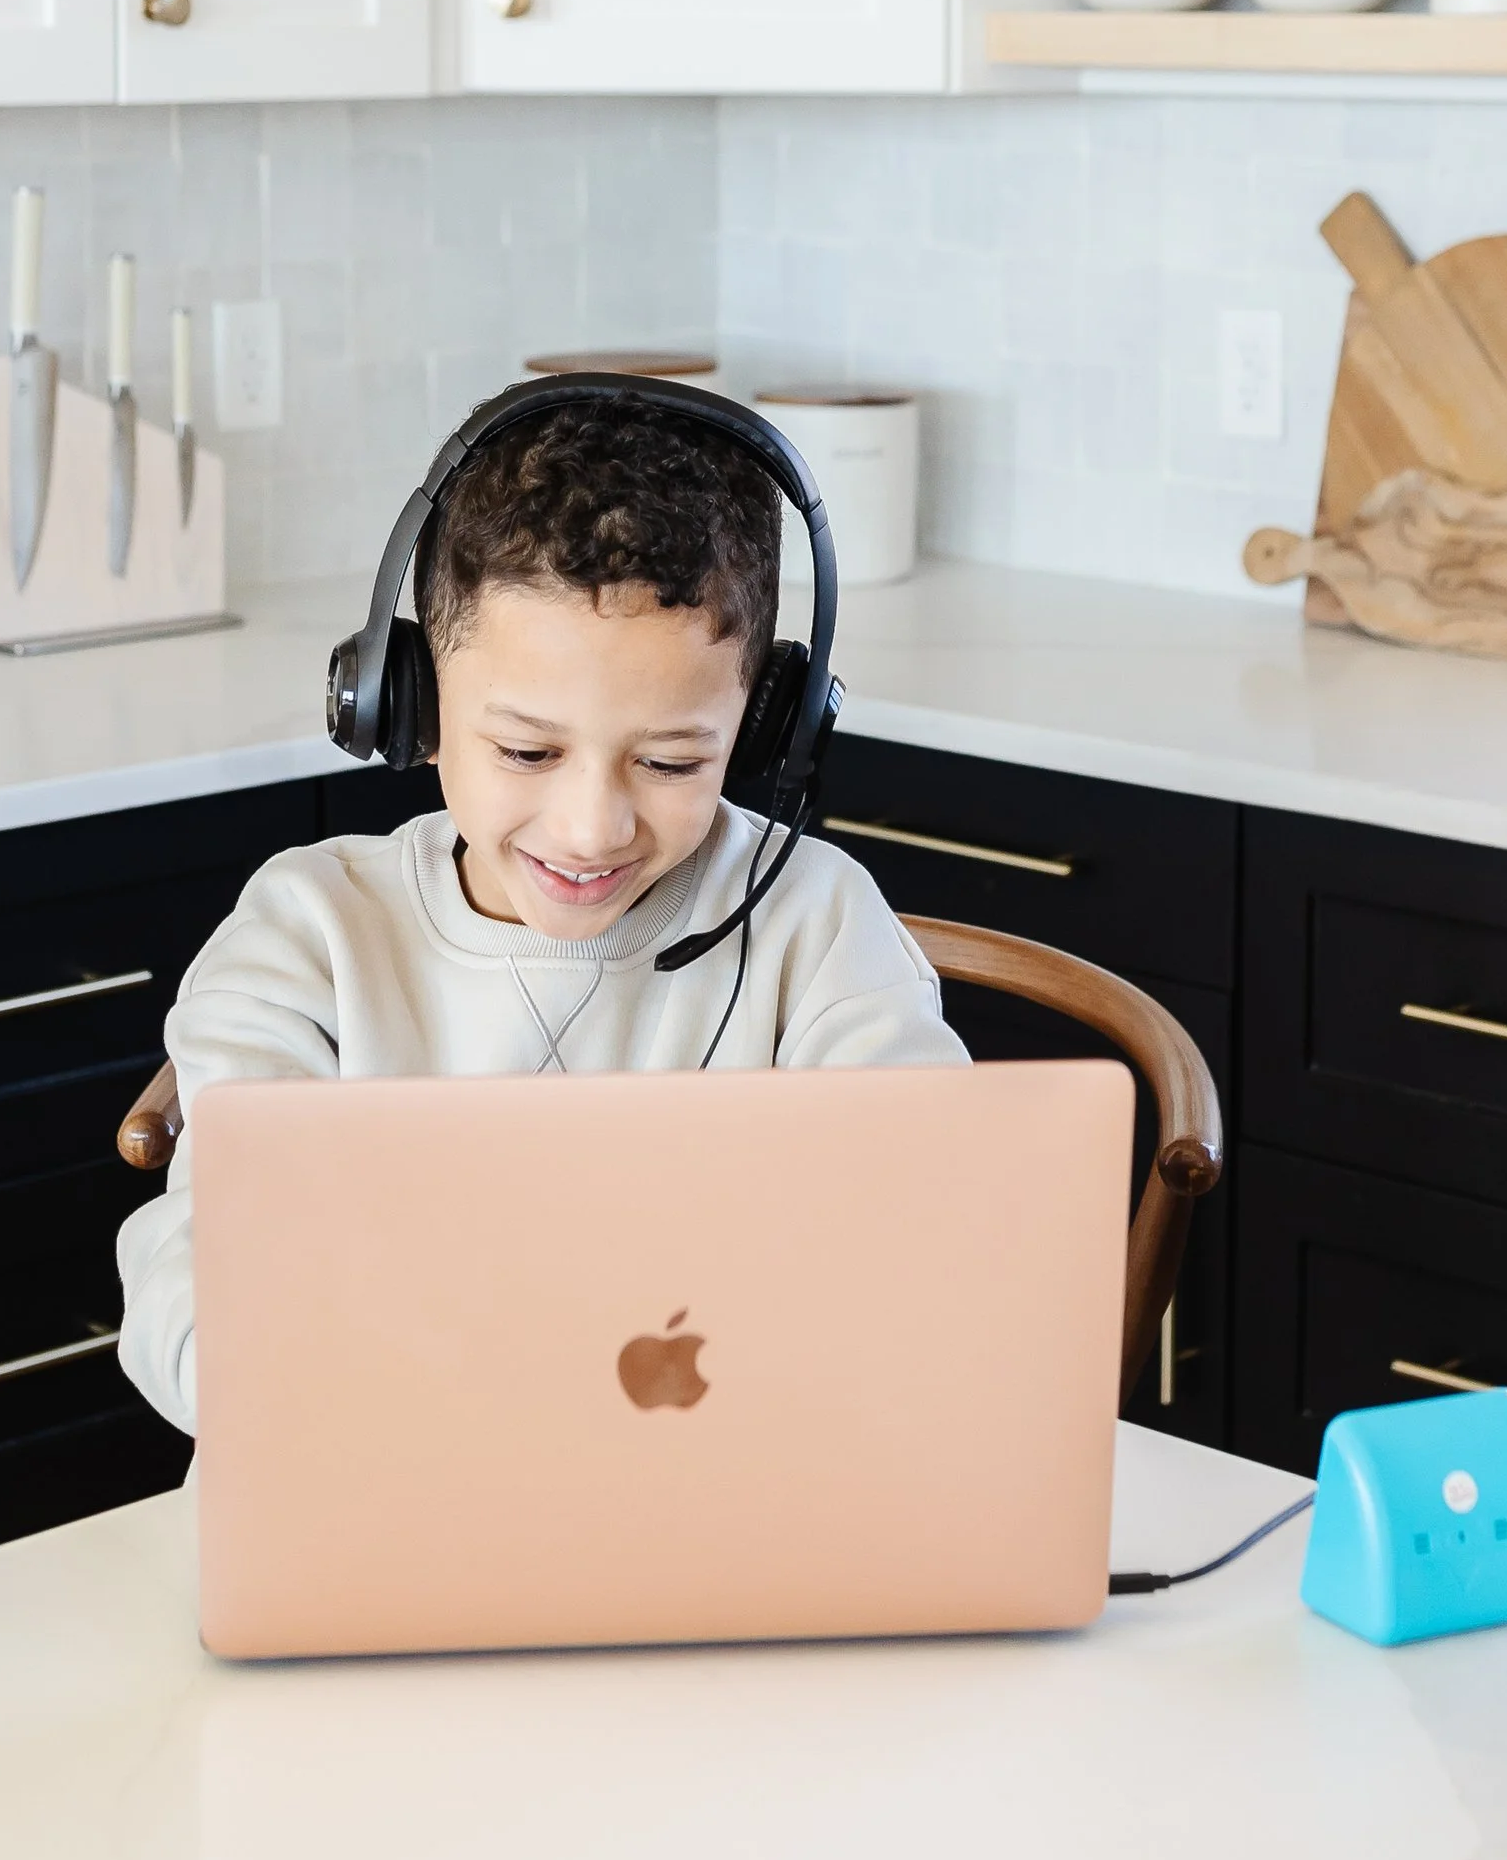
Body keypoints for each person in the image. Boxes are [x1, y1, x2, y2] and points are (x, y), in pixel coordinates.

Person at [114, 388, 966, 1431]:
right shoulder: (311, 938)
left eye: (668, 761)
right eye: (526, 752)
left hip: (732, 1520)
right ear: (408, 705)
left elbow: (926, 1240)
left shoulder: (816, 927)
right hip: (385, 1513)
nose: (591, 828)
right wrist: (269, 1375)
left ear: (762, 733)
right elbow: (202, 1270)